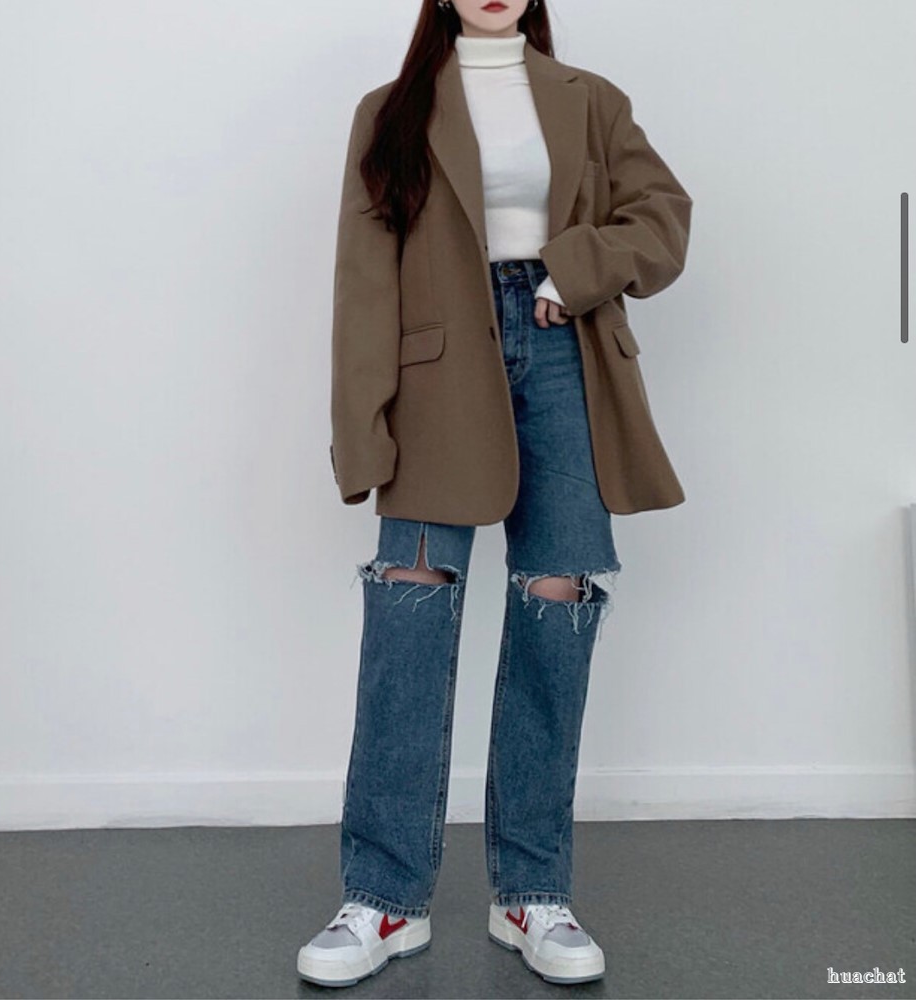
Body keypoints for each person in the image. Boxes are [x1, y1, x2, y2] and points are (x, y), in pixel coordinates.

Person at [298, 0, 693, 988]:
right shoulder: (391, 109)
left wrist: (571, 269)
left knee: (556, 609)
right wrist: (362, 424)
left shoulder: (590, 100)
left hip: (564, 359)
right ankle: (384, 899)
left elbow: (661, 219)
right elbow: (362, 276)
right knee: (409, 612)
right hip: (435, 371)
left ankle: (531, 892)